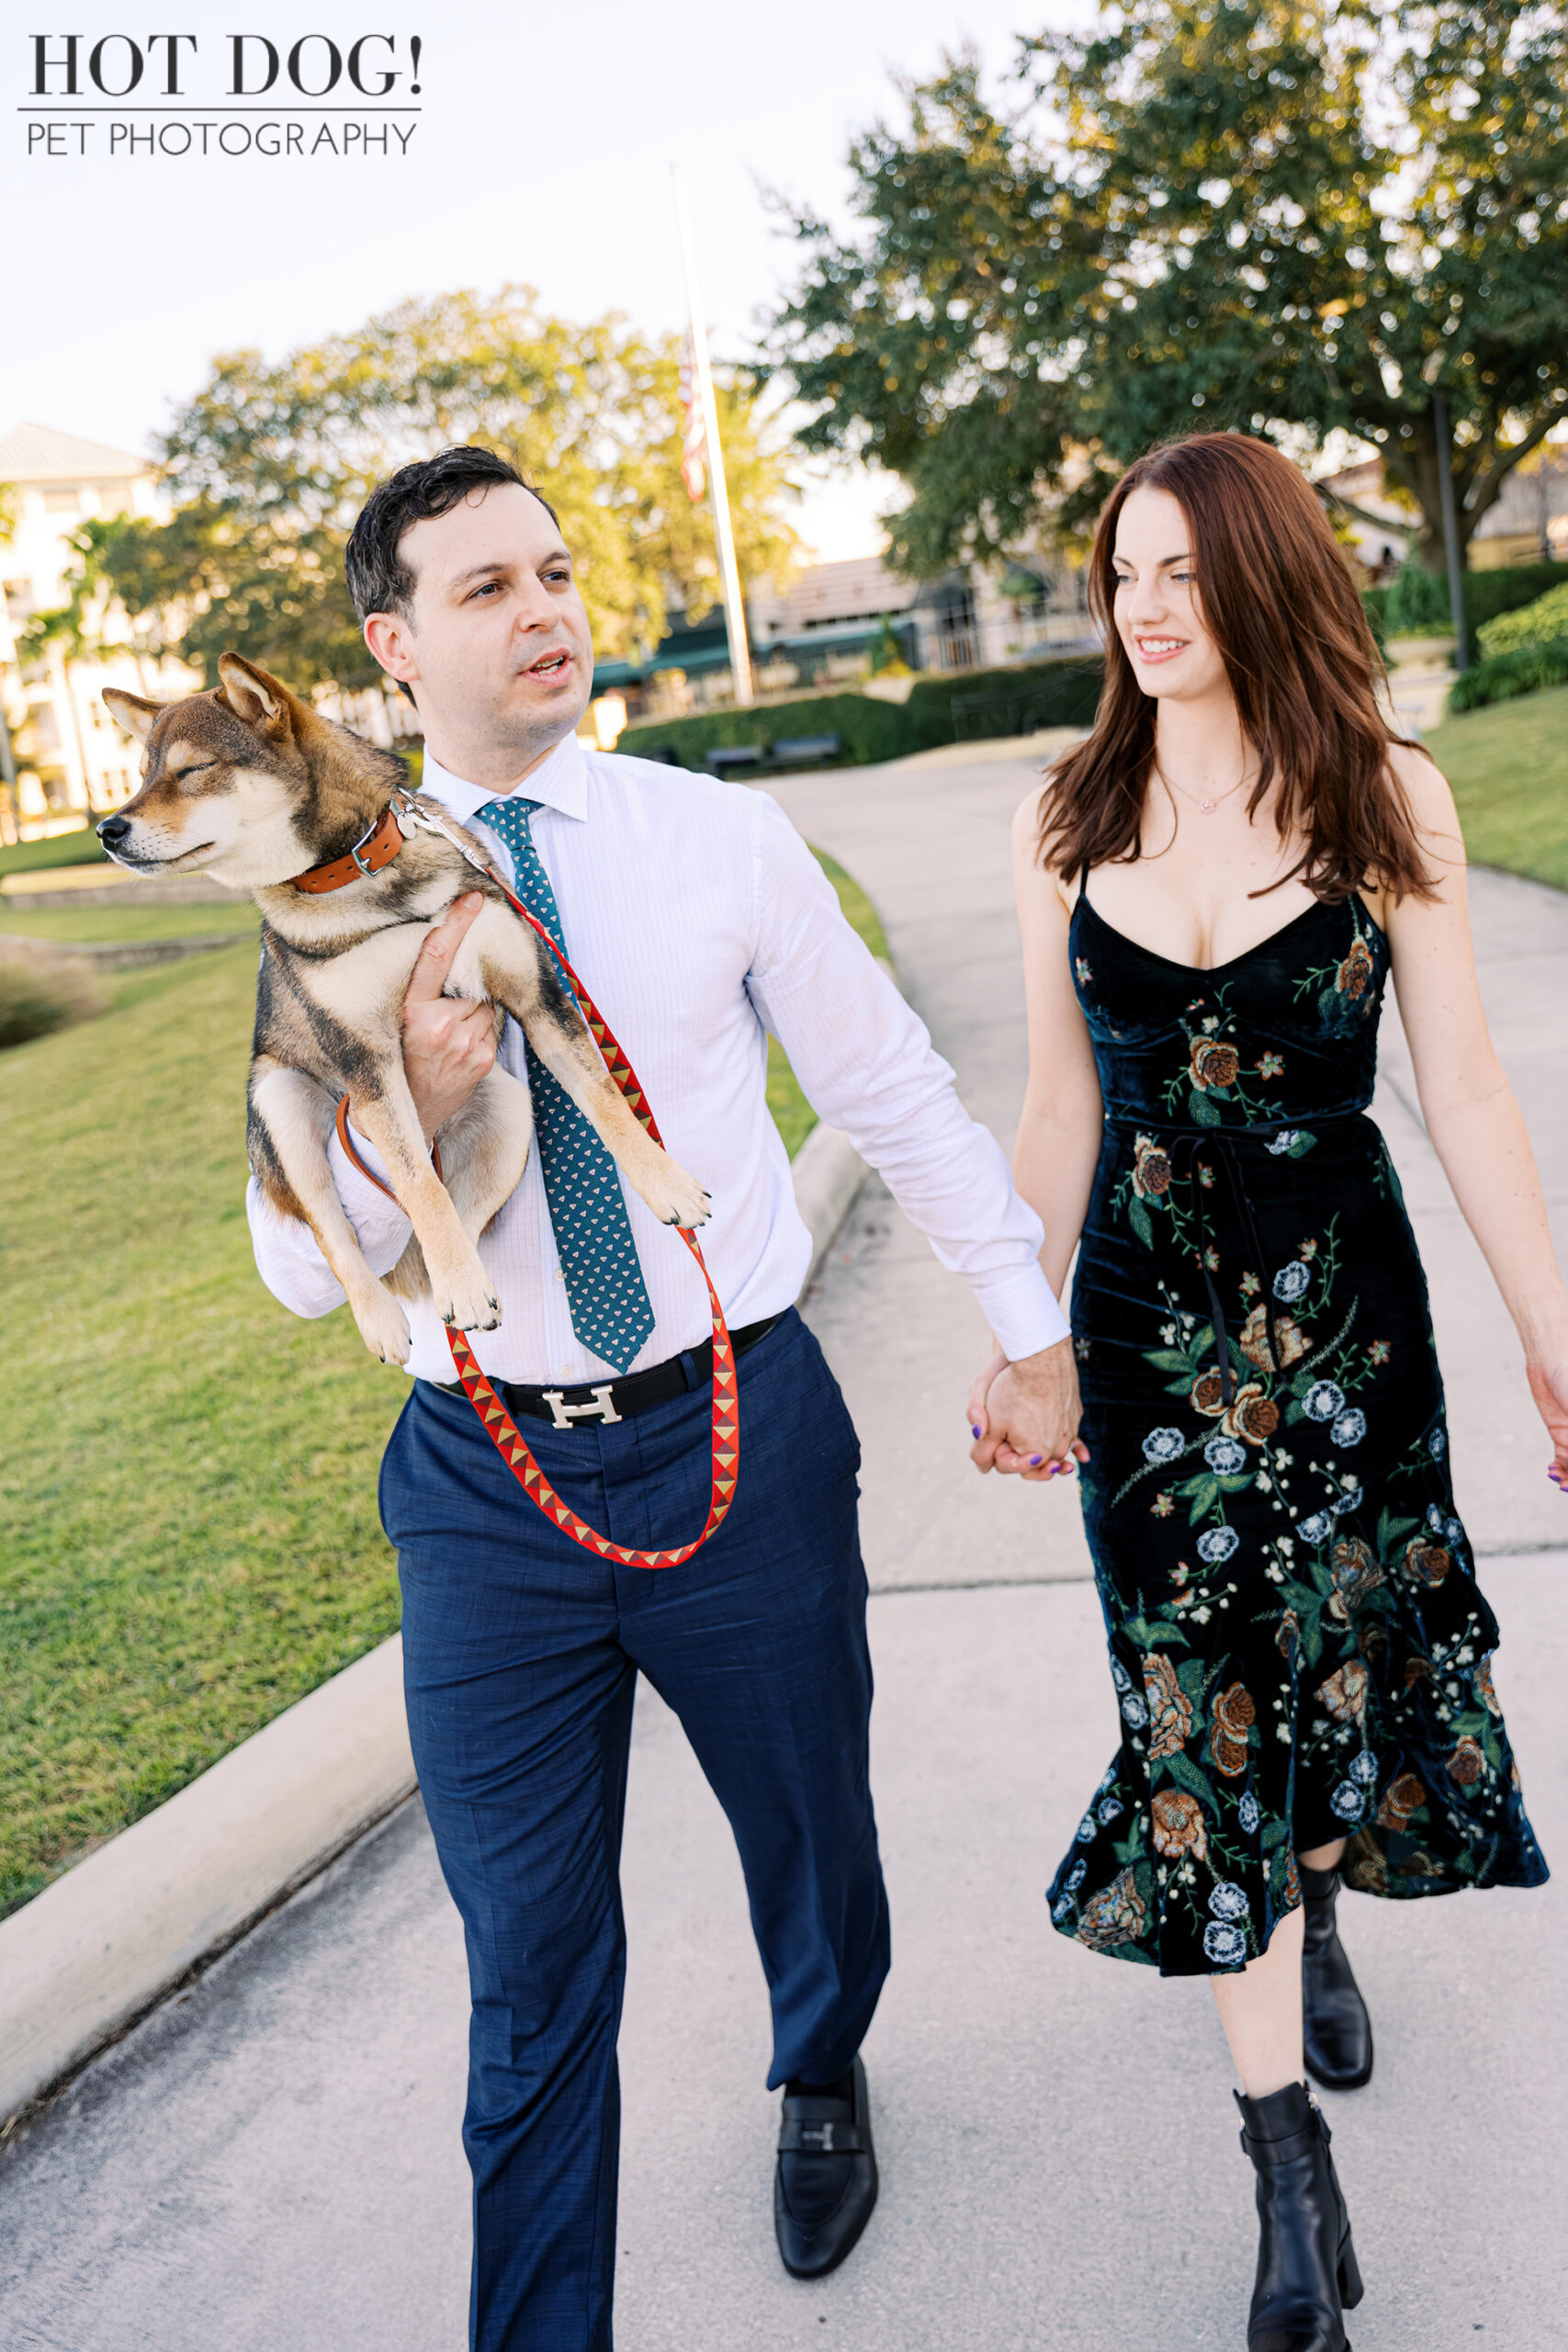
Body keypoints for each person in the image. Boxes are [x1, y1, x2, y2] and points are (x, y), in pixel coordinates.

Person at [247, 443, 1081, 2350]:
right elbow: (300, 1267)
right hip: (485, 1483)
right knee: (528, 1971)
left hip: (742, 1430)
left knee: (812, 1830)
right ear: (392, 649)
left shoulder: (718, 840)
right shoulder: (327, 908)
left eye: (553, 571)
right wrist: (420, 1125)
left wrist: (1025, 1321)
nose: (544, 608)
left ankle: (820, 2054)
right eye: (483, 589)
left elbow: (887, 1091)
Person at [970, 432, 1559, 2352]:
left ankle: (1317, 1911)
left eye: (1174, 570)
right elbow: (1060, 1103)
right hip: (1146, 1342)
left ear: (1255, 574)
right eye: (1117, 576)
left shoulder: (1382, 793)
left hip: (1342, 1331)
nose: (1140, 608)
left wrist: (1552, 1335)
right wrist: (1018, 1328)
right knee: (1188, 1711)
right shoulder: (1064, 812)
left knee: (1326, 1672)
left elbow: (1460, 1089)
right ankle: (1281, 2164)